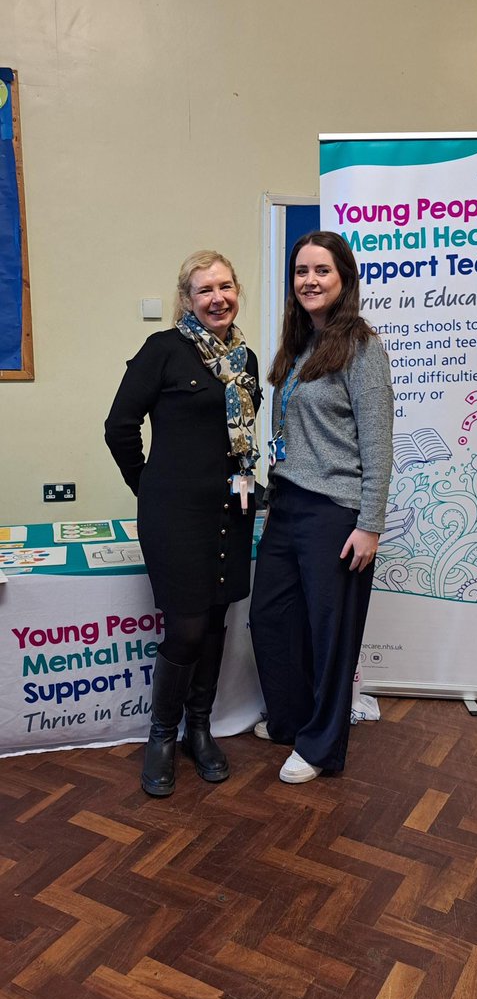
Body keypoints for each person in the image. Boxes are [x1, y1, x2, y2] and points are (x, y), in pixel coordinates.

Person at [105, 250, 260, 796]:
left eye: (225, 286)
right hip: (175, 515)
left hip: (230, 511)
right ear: (187, 300)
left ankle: (201, 729)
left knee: (216, 622)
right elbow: (118, 426)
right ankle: (162, 735)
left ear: (236, 289)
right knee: (187, 627)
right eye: (204, 290)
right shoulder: (162, 351)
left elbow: (242, 442)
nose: (217, 297)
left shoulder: (246, 359)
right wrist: (146, 488)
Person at [249, 231, 393, 784]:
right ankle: (289, 720)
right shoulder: (300, 344)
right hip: (287, 503)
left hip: (336, 510)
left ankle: (321, 746)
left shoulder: (361, 347)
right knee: (271, 619)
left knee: (332, 634)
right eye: (301, 271)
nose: (309, 280)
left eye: (322, 271)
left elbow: (379, 442)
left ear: (343, 279)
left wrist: (369, 525)